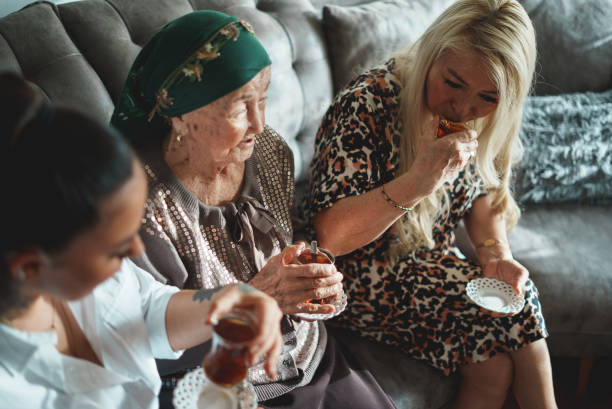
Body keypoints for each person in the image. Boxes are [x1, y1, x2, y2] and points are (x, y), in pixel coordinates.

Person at [110, 10, 396, 409]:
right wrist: (261, 296)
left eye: (263, 99)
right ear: (182, 113)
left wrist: (313, 282)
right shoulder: (140, 207)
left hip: (310, 357)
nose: (260, 124)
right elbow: (155, 342)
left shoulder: (268, 153)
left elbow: (284, 248)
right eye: (241, 107)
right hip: (223, 384)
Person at [304, 1, 558, 408]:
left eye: (487, 97)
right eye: (453, 83)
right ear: (431, 54)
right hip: (360, 276)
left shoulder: (487, 115)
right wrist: (420, 180)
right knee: (523, 307)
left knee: (493, 367)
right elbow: (330, 237)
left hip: (429, 261)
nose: (464, 108)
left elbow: (484, 191)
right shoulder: (366, 104)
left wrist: (496, 253)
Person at [0, 72, 284, 409]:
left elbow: (145, 308)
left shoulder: (81, 272)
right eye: (118, 249)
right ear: (30, 267)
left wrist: (230, 299)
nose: (137, 251)